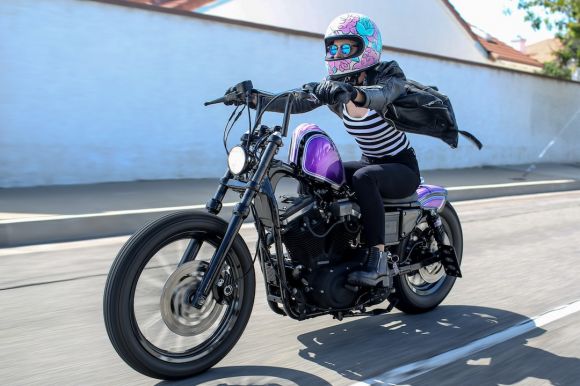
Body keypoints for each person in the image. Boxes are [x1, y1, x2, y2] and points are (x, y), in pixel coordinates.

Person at [237, 13, 421, 287]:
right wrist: (254, 99)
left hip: (401, 167)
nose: (337, 53)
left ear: (366, 47)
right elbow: (297, 101)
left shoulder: (388, 75)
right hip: (370, 161)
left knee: (363, 178)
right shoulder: (334, 87)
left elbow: (381, 94)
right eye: (332, 48)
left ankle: (378, 260)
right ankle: (323, 253)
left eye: (345, 48)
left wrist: (354, 93)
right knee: (316, 179)